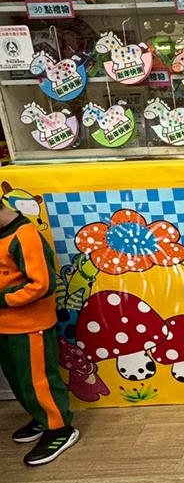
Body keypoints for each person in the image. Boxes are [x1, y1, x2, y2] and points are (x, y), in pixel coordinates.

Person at [0, 194, 78, 466]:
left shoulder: (24, 235)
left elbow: (41, 285)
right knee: (19, 379)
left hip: (31, 325)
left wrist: (4, 299)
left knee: (38, 379)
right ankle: (41, 416)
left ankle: (59, 428)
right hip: (6, 325)